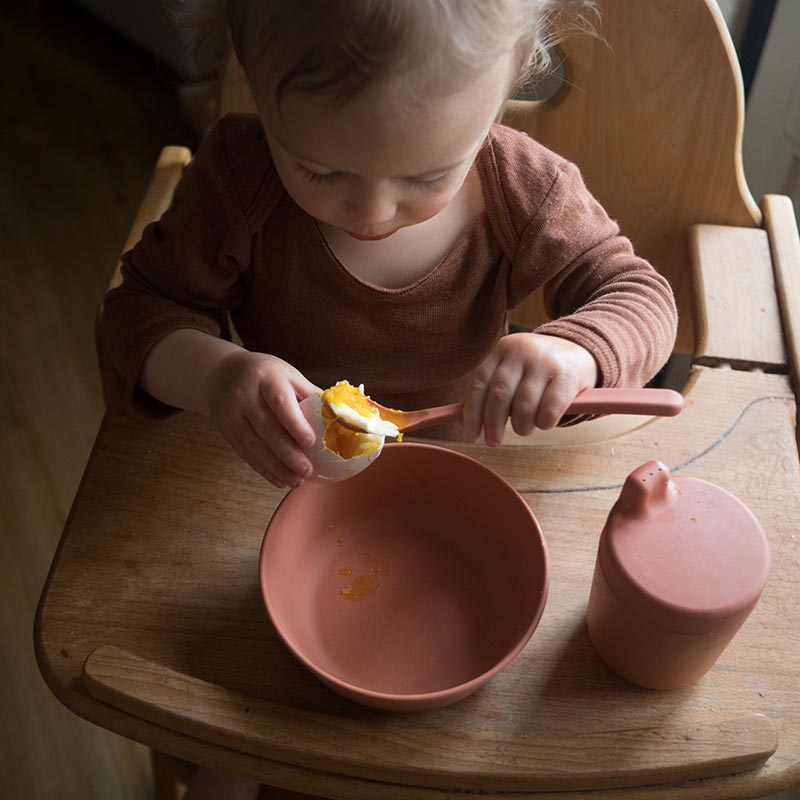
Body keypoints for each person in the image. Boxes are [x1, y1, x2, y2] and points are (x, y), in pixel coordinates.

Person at [102, 0, 676, 495]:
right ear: (253, 79)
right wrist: (216, 377)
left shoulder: (527, 191)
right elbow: (137, 313)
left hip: (466, 461)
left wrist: (580, 354)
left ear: (503, 94)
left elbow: (641, 296)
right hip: (276, 469)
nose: (372, 213)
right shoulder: (238, 179)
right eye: (320, 172)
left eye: (427, 177)